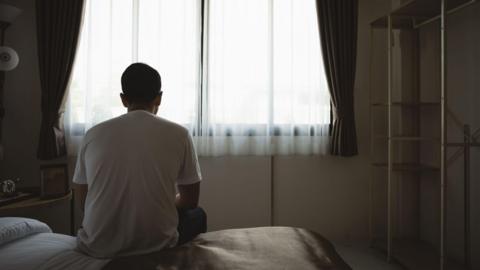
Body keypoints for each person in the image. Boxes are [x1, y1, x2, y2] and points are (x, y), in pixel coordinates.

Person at [72, 63, 206, 258]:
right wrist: (161, 203)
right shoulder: (180, 134)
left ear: (123, 99)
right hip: (158, 245)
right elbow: (190, 201)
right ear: (159, 97)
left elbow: (83, 202)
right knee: (198, 215)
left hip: (97, 246)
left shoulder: (93, 134)